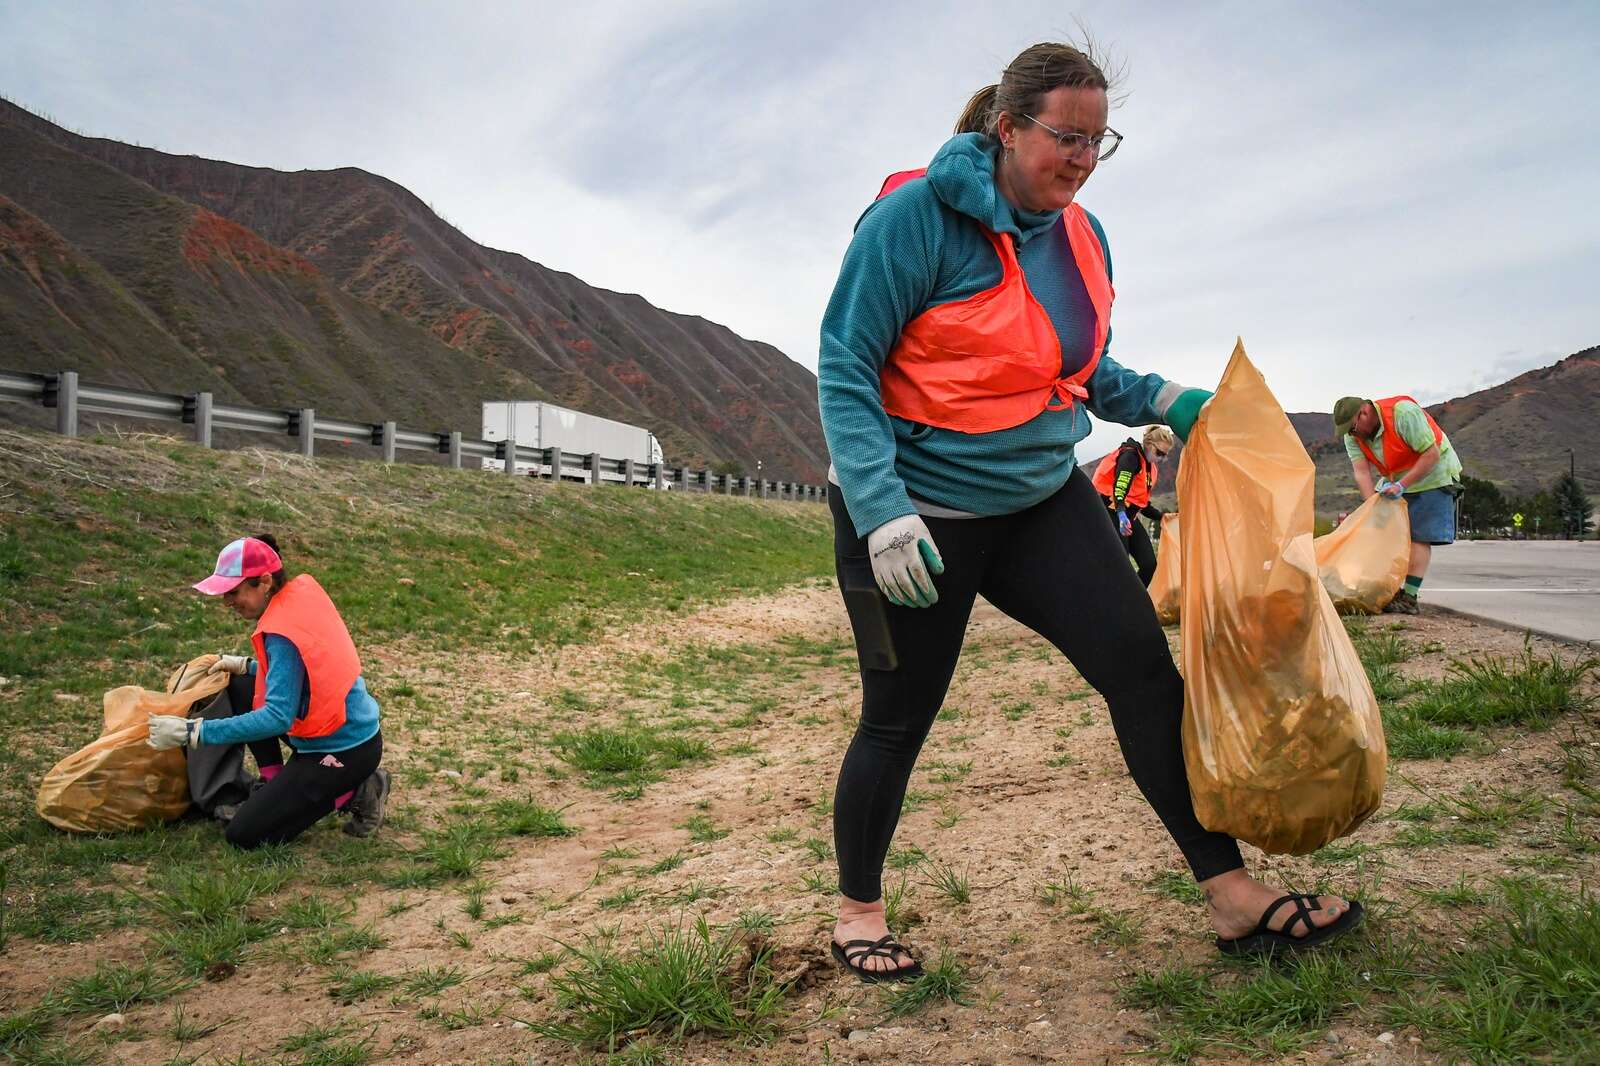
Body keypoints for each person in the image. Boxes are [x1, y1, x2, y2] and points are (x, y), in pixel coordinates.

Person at [817, 40, 1360, 980]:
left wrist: (1167, 398)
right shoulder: (912, 222)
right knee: (898, 719)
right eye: (1065, 138)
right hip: (918, 519)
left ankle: (1231, 897)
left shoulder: (1083, 234)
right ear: (1007, 127)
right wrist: (879, 509)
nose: (1079, 159)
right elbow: (845, 367)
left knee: (1145, 678)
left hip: (1040, 499)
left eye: (1098, 143)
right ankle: (858, 912)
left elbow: (1077, 365)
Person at [148, 535, 390, 848]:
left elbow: (276, 717)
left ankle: (360, 791)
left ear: (263, 581)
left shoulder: (281, 633)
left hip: (343, 749)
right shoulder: (295, 597)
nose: (227, 602)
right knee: (239, 684)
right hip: (340, 726)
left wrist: (193, 731)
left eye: (234, 592)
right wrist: (244, 666)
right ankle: (275, 782)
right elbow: (304, 670)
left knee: (246, 836)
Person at [1332, 395, 1463, 614]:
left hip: (1433, 474)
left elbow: (1431, 454)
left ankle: (1409, 597)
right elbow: (1361, 472)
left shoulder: (1403, 414)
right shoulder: (1352, 437)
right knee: (1379, 532)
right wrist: (1370, 506)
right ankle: (1378, 587)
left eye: (1353, 428)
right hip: (1396, 479)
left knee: (1419, 535)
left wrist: (1402, 485)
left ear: (1364, 413)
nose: (1352, 434)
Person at [1091, 425, 1175, 585]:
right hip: (1113, 513)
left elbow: (1141, 503)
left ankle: (1135, 601)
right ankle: (1115, 601)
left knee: (1149, 564)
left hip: (1129, 517)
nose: (1162, 459)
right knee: (1121, 565)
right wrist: (1121, 514)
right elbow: (1120, 487)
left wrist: (1162, 516)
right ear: (1149, 444)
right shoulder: (1130, 457)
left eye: (1165, 455)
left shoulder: (1150, 467)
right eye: (1160, 453)